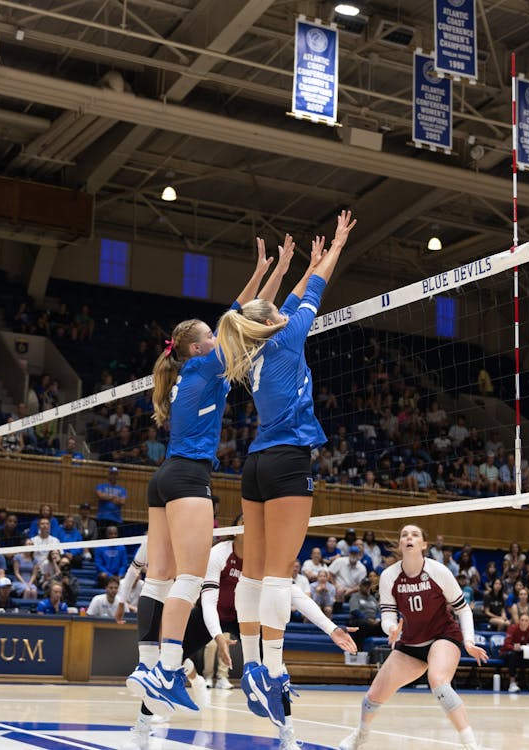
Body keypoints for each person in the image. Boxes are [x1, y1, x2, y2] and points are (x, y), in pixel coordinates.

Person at [126, 234, 286, 717]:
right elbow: (243, 319)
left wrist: (264, 270)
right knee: (190, 580)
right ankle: (168, 669)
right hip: (189, 480)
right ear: (199, 347)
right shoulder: (204, 367)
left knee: (158, 580)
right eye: (211, 339)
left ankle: (146, 664)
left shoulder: (187, 370)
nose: (219, 341)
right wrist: (275, 283)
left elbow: (232, 314)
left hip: (164, 479)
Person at [216, 211, 356, 728]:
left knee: (253, 573)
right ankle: (272, 671)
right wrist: (337, 247)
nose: (284, 309)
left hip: (254, 464)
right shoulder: (288, 338)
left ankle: (253, 664)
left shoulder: (248, 349)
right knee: (279, 574)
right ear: (270, 319)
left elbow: (293, 298)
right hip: (289, 460)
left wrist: (307, 263)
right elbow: (314, 290)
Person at [123, 518, 357, 750]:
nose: (256, 525)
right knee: (168, 660)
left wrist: (332, 628)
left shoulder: (268, 558)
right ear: (236, 530)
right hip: (214, 614)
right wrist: (218, 636)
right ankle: (142, 728)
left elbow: (295, 594)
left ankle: (288, 737)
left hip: (248, 617)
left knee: (276, 673)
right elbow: (208, 601)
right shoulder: (219, 553)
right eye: (247, 521)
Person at [338, 524, 486, 750]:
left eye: (415, 534)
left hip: (443, 636)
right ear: (400, 544)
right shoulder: (389, 576)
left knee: (438, 682)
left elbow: (463, 609)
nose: (409, 537)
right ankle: (360, 735)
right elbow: (387, 616)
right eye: (404, 535)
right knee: (372, 696)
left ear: (423, 545)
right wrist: (391, 630)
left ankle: (471, 745)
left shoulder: (438, 571)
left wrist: (469, 641)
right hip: (410, 643)